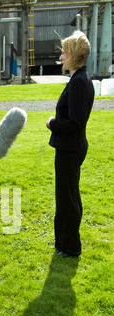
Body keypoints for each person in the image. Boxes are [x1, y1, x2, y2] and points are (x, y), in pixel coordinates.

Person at [46, 31, 94, 257]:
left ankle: (71, 246)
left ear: (73, 55)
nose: (61, 56)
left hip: (71, 147)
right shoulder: (78, 79)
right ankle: (63, 243)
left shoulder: (79, 82)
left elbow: (75, 123)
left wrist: (52, 123)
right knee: (66, 196)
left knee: (68, 199)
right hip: (69, 147)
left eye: (64, 52)